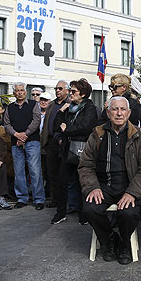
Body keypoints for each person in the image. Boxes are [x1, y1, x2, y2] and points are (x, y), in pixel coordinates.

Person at [79, 96, 141, 265]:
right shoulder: (97, 134)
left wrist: (132, 192)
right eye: (115, 109)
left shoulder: (140, 135)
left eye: (123, 109)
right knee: (90, 208)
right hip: (103, 186)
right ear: (108, 112)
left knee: (129, 213)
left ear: (129, 113)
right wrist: (92, 187)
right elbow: (85, 166)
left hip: (129, 186)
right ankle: (109, 240)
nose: (119, 113)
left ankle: (124, 243)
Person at [51, 78, 98, 225]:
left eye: (73, 91)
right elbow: (56, 125)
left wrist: (68, 130)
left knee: (82, 182)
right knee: (62, 181)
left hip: (82, 150)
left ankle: (84, 215)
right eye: (70, 91)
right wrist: (61, 111)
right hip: (67, 149)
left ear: (83, 94)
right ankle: (61, 213)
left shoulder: (89, 108)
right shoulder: (69, 108)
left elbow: (85, 127)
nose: (70, 94)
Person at [4, 83, 45, 209]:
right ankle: (22, 198)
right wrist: (17, 135)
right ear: (14, 93)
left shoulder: (34, 105)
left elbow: (36, 121)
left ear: (25, 92)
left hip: (32, 141)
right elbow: (7, 124)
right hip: (16, 143)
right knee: (19, 171)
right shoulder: (9, 108)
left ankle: (38, 199)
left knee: (35, 170)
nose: (20, 92)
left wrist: (25, 135)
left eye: (22, 90)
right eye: (17, 91)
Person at [41, 81, 70, 209]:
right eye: (56, 88)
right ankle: (54, 199)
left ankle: (65, 201)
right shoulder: (51, 105)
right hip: (51, 142)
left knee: (63, 173)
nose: (57, 90)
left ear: (67, 90)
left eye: (60, 88)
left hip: (64, 142)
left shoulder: (70, 104)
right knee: (51, 173)